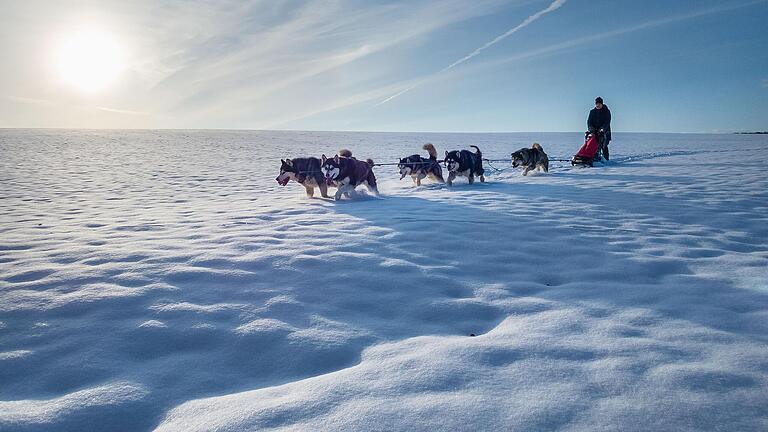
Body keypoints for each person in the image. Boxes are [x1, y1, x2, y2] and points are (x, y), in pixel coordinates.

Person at [587, 96, 611, 161]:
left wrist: (603, 128)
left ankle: (606, 159)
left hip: (605, 131)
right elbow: (589, 121)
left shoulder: (606, 111)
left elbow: (607, 121)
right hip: (594, 131)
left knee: (604, 145)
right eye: (597, 104)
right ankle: (594, 157)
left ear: (602, 104)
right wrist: (591, 128)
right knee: (593, 144)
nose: (598, 105)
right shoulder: (592, 112)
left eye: (599, 104)